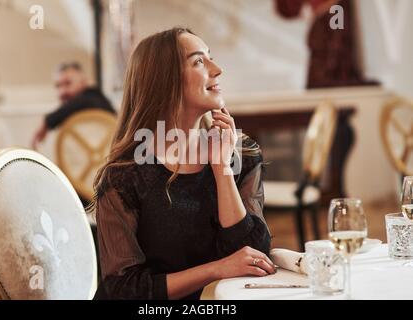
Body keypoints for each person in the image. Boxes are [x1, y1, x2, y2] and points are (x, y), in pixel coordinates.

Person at [92, 27, 273, 300]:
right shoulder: (124, 177)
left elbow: (252, 255)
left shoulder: (241, 155)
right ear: (165, 81)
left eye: (210, 57)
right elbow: (124, 290)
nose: (217, 69)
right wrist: (215, 269)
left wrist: (222, 168)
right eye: (199, 61)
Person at [31, 62, 116, 149]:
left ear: (83, 83)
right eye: (58, 86)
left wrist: (47, 121)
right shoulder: (76, 111)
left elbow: (82, 101)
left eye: (68, 83)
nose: (62, 92)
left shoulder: (93, 98)